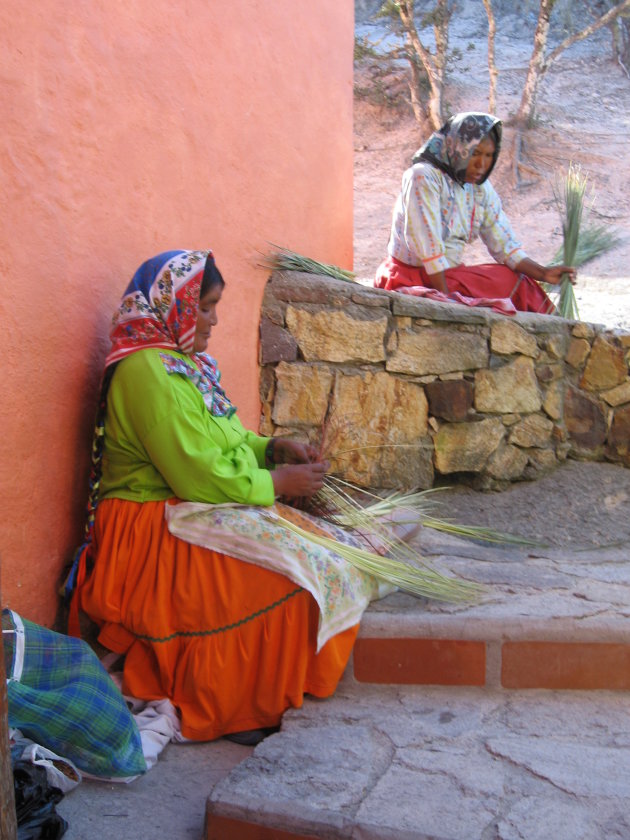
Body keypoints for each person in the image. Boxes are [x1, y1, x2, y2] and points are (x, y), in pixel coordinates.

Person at [72, 249, 383, 746]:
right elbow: (196, 473)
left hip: (191, 504)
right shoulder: (147, 371)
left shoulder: (183, 364)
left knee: (327, 556)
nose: (214, 320)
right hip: (149, 526)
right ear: (173, 305)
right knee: (292, 574)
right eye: (206, 306)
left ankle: (260, 689)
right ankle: (240, 701)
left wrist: (272, 449)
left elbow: (220, 441)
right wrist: (279, 485)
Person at [374, 111, 576, 313]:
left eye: (489, 155)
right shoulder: (423, 177)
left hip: (449, 277)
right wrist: (447, 306)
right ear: (458, 147)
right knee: (509, 287)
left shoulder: (479, 189)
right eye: (475, 153)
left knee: (520, 282)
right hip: (411, 277)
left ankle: (562, 330)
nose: (482, 164)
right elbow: (429, 249)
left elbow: (505, 245)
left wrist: (543, 273)